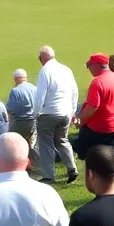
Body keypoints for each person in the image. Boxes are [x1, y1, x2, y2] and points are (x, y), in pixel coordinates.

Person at [33, 46, 80, 185]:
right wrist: (72, 111)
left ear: (42, 57)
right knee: (62, 140)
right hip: (65, 112)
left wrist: (36, 113)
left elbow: (40, 94)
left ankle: (48, 175)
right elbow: (74, 91)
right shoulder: (66, 69)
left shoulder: (45, 71)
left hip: (49, 112)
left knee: (45, 143)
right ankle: (72, 168)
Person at [75, 54, 114, 165]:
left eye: (89, 66)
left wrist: (82, 120)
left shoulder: (98, 82)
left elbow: (92, 107)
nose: (89, 69)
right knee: (109, 159)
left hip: (98, 127)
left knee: (90, 158)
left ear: (97, 65)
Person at [5, 69, 40, 172]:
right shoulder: (35, 88)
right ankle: (37, 165)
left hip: (21, 122)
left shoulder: (15, 91)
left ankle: (16, 164)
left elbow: (10, 109)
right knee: (33, 144)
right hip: (35, 121)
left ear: (16, 79)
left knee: (13, 142)